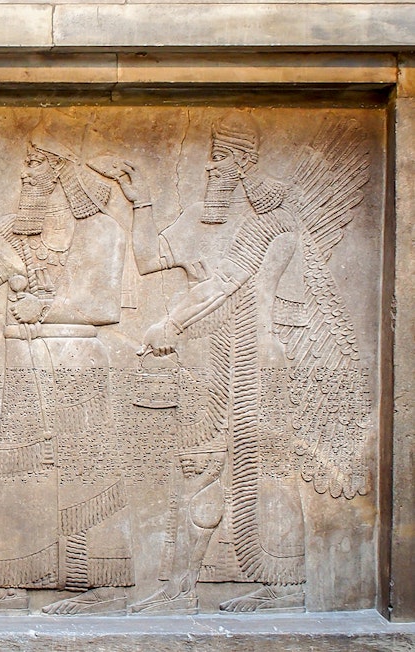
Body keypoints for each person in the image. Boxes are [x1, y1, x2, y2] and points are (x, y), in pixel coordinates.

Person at [0, 119, 151, 615]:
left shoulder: (101, 227)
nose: (26, 173)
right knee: (22, 471)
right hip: (25, 358)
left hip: (75, 359)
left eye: (36, 163)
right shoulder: (16, 229)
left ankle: (99, 588)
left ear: (60, 169)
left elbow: (102, 306)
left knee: (84, 473)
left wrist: (45, 309)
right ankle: (16, 584)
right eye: (27, 162)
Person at [128, 112, 307, 613]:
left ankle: (285, 588)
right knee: (198, 467)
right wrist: (140, 200)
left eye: (223, 157)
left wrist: (171, 324)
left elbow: (224, 284)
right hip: (205, 362)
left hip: (254, 359)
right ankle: (181, 590)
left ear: (245, 164)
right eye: (210, 155)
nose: (210, 168)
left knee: (265, 470)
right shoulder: (198, 219)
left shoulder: (269, 226)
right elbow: (147, 261)